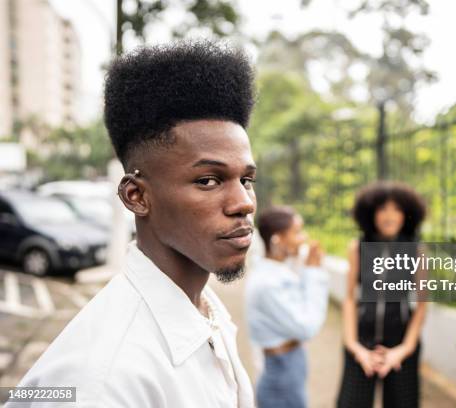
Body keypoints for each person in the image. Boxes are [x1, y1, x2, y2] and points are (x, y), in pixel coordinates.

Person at [7, 41, 258, 407]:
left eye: (246, 180)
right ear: (136, 196)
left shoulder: (205, 309)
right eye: (208, 180)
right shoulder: (100, 385)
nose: (244, 202)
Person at [337, 181, 427, 408]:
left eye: (397, 210)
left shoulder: (417, 249)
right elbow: (349, 298)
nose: (389, 216)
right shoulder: (357, 247)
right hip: (362, 340)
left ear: (407, 214)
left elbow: (423, 304)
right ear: (371, 213)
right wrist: (354, 346)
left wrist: (404, 349)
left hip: (400, 342)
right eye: (383, 209)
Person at [245, 205, 329, 408]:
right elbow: (306, 327)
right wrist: (314, 273)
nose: (304, 238)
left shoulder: (275, 272)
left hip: (288, 366)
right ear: (277, 239)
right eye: (297, 232)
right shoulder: (268, 283)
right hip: (281, 375)